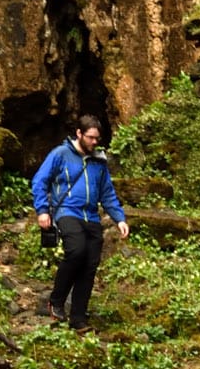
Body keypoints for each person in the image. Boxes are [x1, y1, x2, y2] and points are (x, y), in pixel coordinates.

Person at [30, 115, 128, 332]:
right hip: (67, 212)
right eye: (91, 138)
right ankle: (56, 300)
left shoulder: (98, 161)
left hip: (92, 217)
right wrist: (42, 211)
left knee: (89, 266)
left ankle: (78, 318)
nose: (95, 142)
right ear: (79, 134)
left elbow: (107, 193)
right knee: (76, 251)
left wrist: (119, 218)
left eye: (97, 139)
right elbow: (39, 181)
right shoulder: (60, 154)